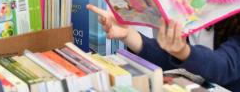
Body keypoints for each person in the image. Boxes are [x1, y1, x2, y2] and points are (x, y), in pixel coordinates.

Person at [89, 6, 240, 91]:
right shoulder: (191, 10)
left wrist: (183, 51)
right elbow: (171, 58)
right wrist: (127, 34)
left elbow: (223, 67)